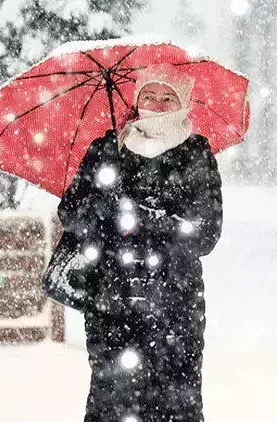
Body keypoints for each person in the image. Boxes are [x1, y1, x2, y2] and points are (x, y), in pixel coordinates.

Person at [47, 64, 223, 422]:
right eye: (149, 95)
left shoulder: (195, 153)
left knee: (176, 404)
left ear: (182, 102)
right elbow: (71, 214)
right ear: (137, 98)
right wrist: (105, 204)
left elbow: (206, 233)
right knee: (112, 402)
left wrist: (142, 215)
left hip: (175, 306)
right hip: (112, 303)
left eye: (167, 97)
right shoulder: (107, 148)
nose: (156, 104)